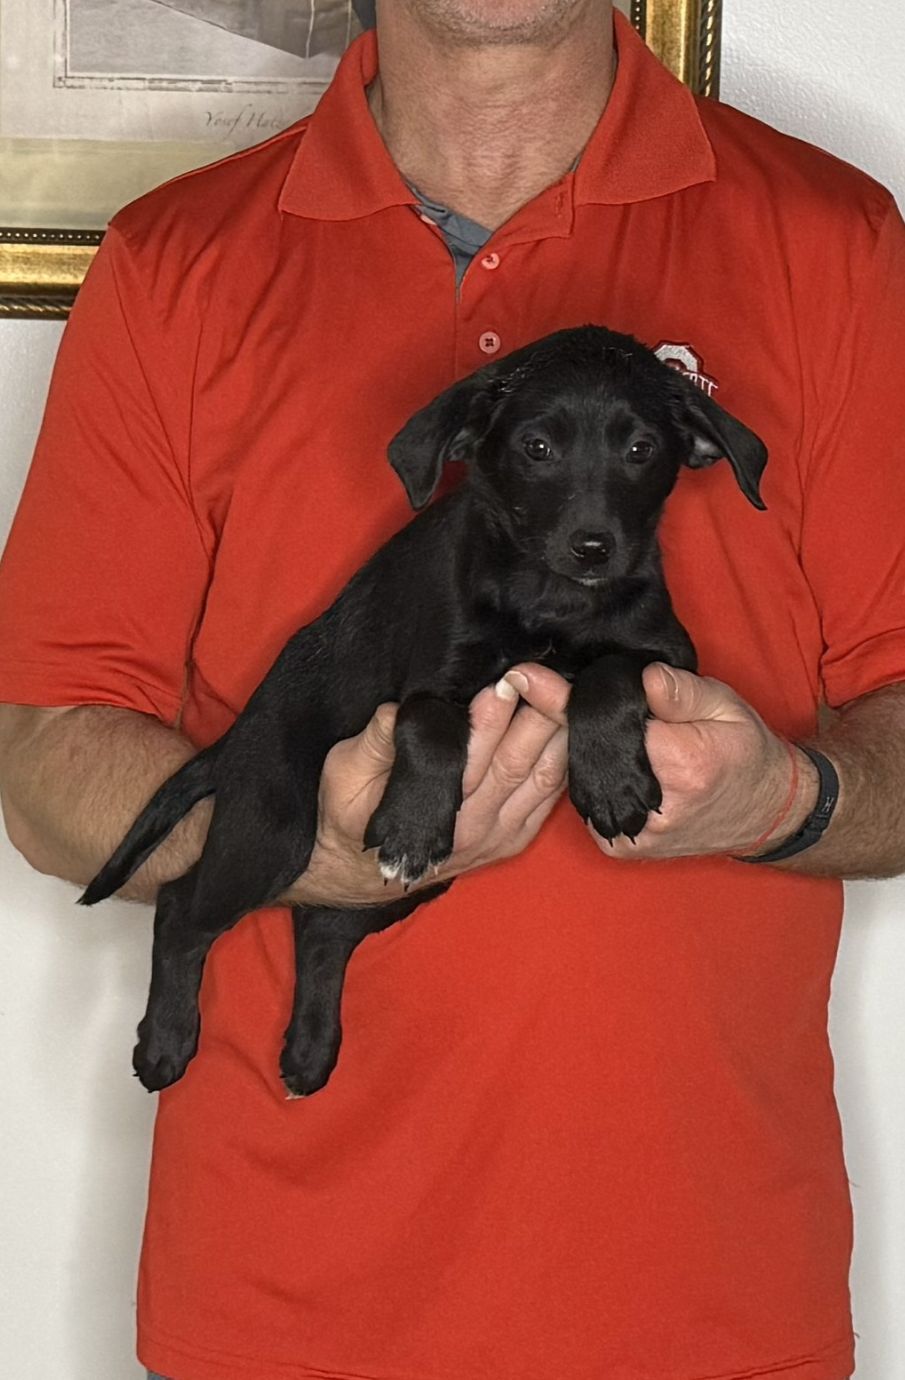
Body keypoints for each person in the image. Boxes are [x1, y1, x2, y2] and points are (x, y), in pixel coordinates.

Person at [0, 2, 902, 1377]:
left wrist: (785, 796)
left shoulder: (833, 244)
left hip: (704, 1300)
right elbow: (46, 754)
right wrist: (310, 841)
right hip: (283, 1307)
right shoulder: (176, 263)